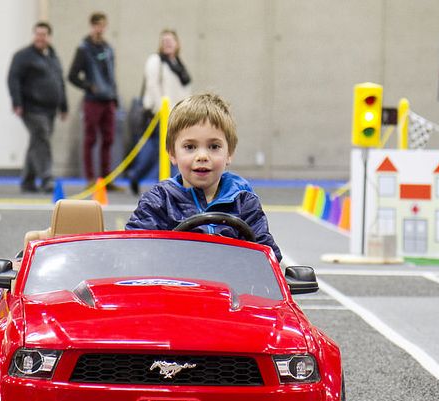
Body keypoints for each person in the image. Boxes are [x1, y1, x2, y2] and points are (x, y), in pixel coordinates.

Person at [126, 92, 282, 261]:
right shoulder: (158, 202)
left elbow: (268, 259)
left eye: (214, 146)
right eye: (190, 147)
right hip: (175, 284)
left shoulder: (243, 202)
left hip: (230, 285)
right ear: (172, 154)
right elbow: (135, 253)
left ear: (229, 153)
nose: (202, 156)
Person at [126, 29, 192, 195]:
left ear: (177, 44)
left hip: (177, 117)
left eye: (171, 40)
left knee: (164, 151)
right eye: (165, 41)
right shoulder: (155, 61)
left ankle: (143, 178)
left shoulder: (179, 64)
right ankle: (161, 184)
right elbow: (153, 86)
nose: (168, 44)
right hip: (158, 116)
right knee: (160, 152)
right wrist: (164, 112)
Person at [7, 21, 68, 193]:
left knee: (37, 142)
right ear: (34, 35)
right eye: (38, 34)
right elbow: (13, 79)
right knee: (41, 138)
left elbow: (59, 82)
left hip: (50, 110)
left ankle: (27, 180)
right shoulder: (23, 56)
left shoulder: (52, 57)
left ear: (49, 37)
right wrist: (17, 102)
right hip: (31, 108)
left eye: (44, 34)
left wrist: (64, 106)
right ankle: (47, 178)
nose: (40, 37)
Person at [67, 12, 121, 190]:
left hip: (109, 101)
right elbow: (72, 76)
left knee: (109, 139)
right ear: (92, 26)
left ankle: (106, 179)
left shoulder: (108, 48)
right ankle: (90, 178)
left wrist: (115, 98)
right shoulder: (84, 49)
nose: (100, 28)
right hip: (92, 102)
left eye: (103, 25)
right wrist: (89, 86)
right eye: (97, 25)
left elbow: (112, 76)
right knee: (90, 140)